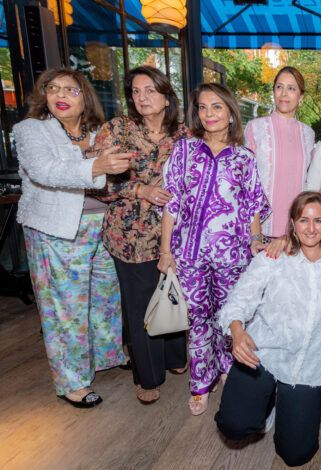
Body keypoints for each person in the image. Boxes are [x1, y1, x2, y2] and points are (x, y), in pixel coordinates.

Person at [214, 191, 321, 467]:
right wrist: (237, 331)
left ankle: (281, 405)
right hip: (264, 353)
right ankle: (265, 403)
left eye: (318, 220)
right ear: (293, 223)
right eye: (303, 220)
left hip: (309, 365)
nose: (311, 228)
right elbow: (239, 300)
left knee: (296, 455)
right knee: (234, 425)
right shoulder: (274, 256)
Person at [14, 67, 132, 407]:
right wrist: (97, 166)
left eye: (70, 89)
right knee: (65, 307)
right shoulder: (31, 129)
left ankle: (108, 354)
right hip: (56, 230)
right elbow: (44, 171)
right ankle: (72, 381)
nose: (61, 95)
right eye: (53, 89)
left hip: (103, 226)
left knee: (105, 298)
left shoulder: (98, 132)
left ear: (85, 98)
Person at [160, 82, 270, 415]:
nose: (209, 114)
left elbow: (253, 206)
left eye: (217, 106)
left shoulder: (244, 158)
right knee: (197, 318)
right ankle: (200, 382)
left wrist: (255, 240)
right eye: (203, 107)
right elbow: (171, 203)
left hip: (232, 255)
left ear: (231, 113)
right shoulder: (184, 150)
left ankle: (227, 369)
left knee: (230, 314)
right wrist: (165, 251)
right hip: (189, 254)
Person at [92, 65, 189, 404]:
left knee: (173, 292)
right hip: (130, 235)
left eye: (150, 90)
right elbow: (96, 182)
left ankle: (175, 356)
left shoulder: (184, 135)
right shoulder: (117, 129)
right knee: (140, 305)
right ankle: (148, 376)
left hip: (175, 231)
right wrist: (140, 190)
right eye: (135, 91)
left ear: (167, 97)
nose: (142, 97)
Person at [244, 66, 315, 238]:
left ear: (301, 96)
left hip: (297, 233)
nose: (284, 94)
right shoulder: (255, 128)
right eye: (279, 87)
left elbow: (308, 182)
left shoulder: (308, 134)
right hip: (259, 231)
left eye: (291, 88)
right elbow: (245, 182)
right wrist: (255, 234)